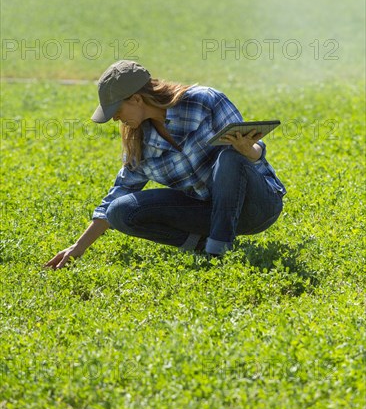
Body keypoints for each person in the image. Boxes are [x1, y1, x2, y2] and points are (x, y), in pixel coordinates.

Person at [44, 60, 286, 270]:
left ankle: (218, 251)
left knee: (231, 156)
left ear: (137, 98)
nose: (115, 118)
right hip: (208, 211)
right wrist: (79, 247)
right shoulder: (139, 141)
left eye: (116, 110)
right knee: (121, 210)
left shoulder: (205, 101)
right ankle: (205, 245)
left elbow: (253, 158)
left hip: (257, 206)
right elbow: (118, 194)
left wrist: (248, 150)